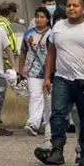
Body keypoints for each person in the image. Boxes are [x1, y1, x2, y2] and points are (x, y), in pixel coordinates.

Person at [35, 0, 84, 166]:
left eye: (75, 6)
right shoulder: (58, 27)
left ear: (83, 9)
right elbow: (51, 53)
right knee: (58, 115)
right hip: (63, 79)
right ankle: (57, 151)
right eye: (68, 6)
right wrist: (47, 77)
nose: (71, 8)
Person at [17, 7, 53, 136]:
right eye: (37, 17)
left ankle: (47, 124)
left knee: (49, 99)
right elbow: (23, 52)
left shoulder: (52, 34)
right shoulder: (29, 34)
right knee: (35, 97)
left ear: (48, 19)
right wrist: (20, 70)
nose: (39, 19)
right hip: (33, 72)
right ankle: (33, 123)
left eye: (42, 17)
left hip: (51, 72)